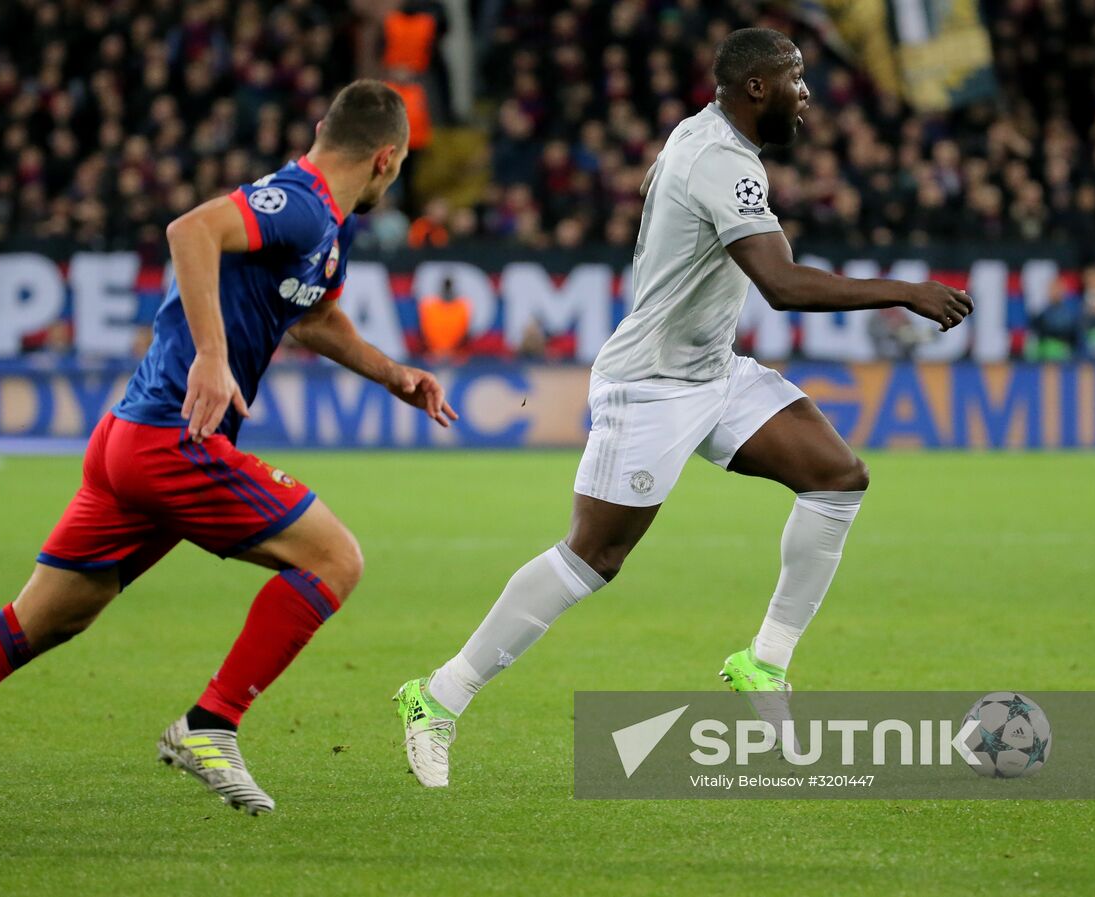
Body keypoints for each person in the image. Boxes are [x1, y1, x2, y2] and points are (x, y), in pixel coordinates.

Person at [0, 80, 457, 848]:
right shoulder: (296, 201)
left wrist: (397, 375)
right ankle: (211, 722)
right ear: (386, 158)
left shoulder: (325, 227)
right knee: (334, 558)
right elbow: (190, 230)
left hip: (132, 443)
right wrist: (212, 355)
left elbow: (316, 314)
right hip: (174, 440)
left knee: (40, 620)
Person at [393, 28, 972, 788]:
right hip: (652, 383)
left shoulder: (705, 137)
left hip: (712, 372)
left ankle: (764, 662)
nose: (807, 96)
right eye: (795, 81)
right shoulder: (721, 159)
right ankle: (437, 696)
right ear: (756, 87)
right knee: (593, 557)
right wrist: (906, 288)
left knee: (838, 477)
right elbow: (783, 284)